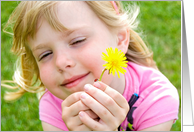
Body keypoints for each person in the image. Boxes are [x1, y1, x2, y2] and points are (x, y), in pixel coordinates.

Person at [1, 1, 179, 131]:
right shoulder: (54, 107)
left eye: (77, 41)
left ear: (120, 39)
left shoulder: (156, 99)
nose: (61, 62)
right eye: (45, 54)